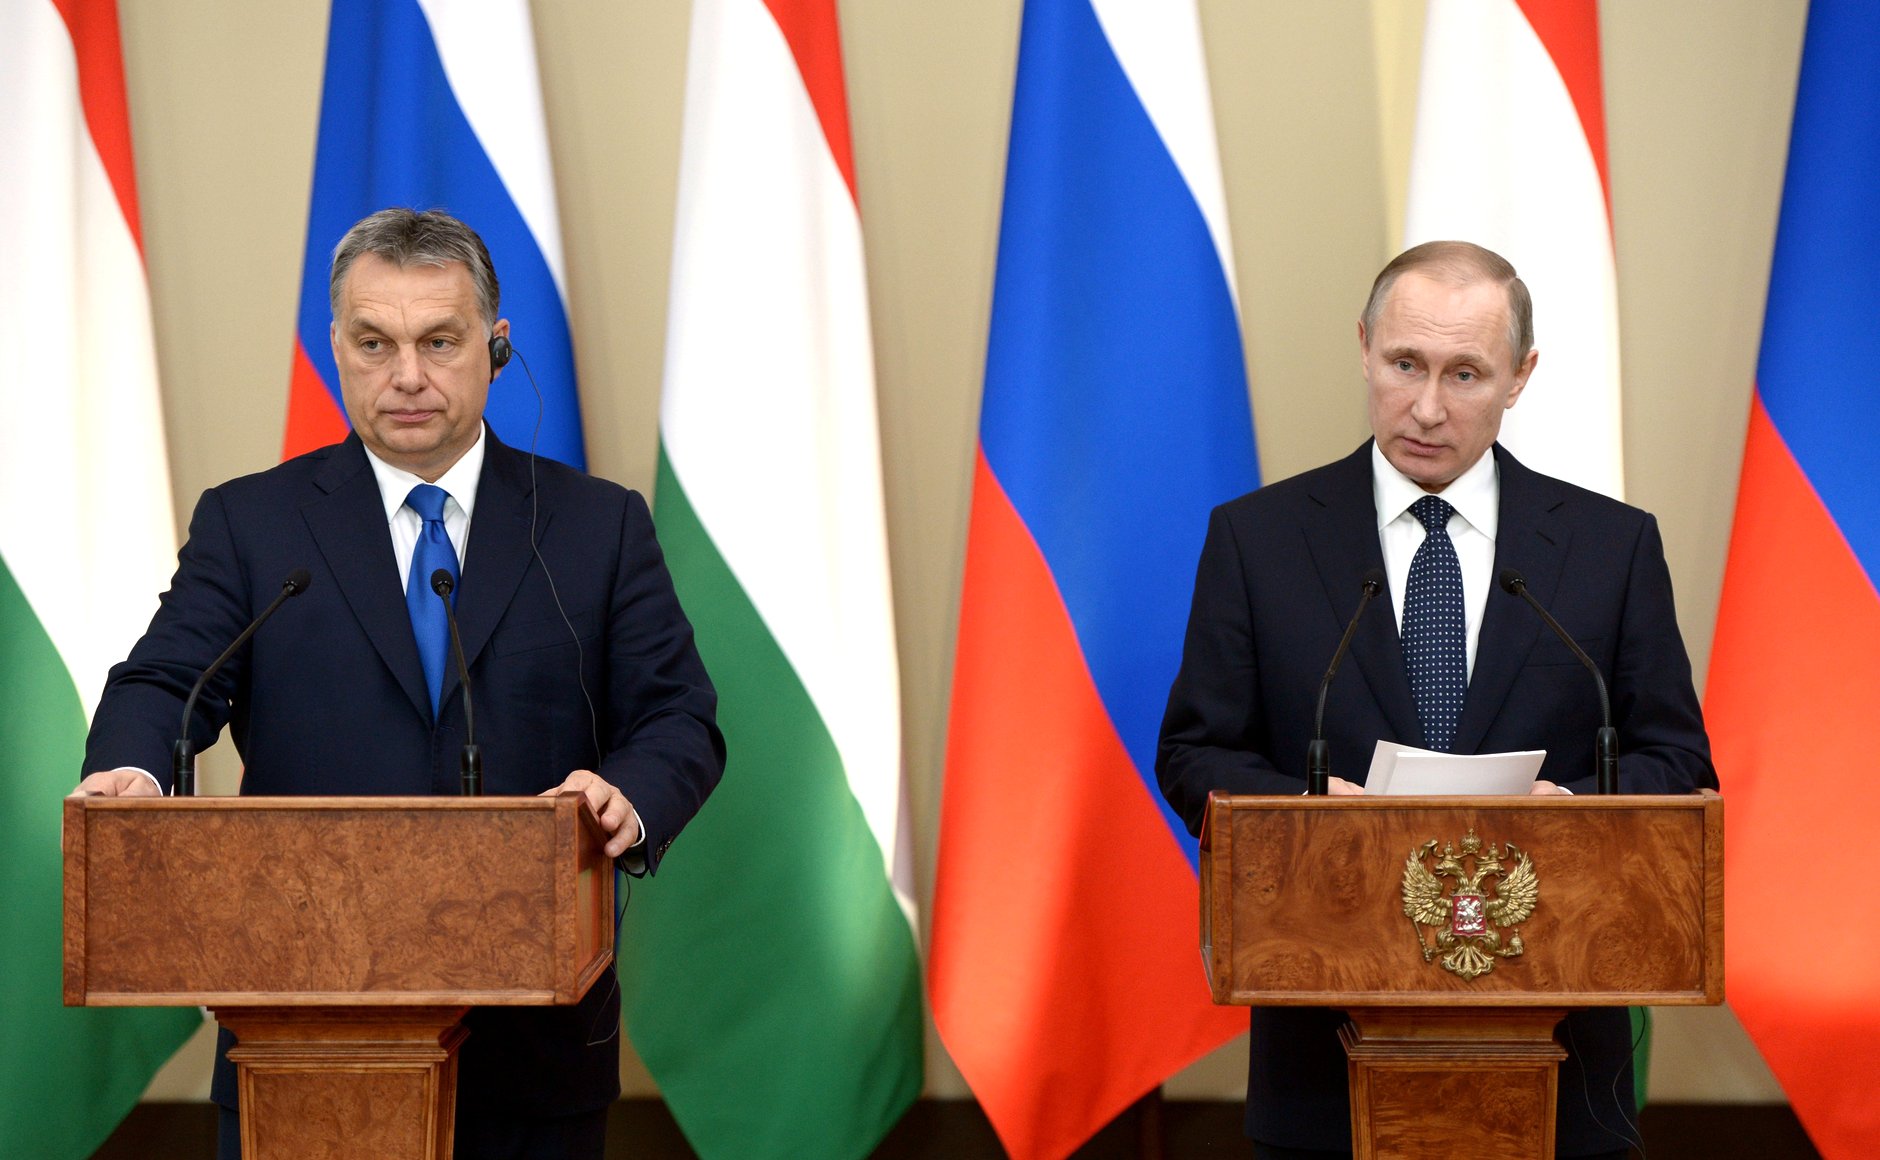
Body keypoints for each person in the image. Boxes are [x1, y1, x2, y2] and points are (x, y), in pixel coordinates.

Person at [76, 207, 725, 1160]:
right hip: (299, 1043)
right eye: (375, 343)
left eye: (440, 342)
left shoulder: (598, 525)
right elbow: (165, 679)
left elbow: (678, 716)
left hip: (534, 1056)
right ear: (336, 346)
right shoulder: (254, 524)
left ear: (496, 348)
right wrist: (132, 773)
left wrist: (624, 795)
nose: (407, 375)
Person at [1156, 240, 1716, 1159]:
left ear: (1519, 377)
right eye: (1404, 364)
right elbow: (1193, 754)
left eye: (1465, 373)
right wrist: (1306, 811)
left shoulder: (1610, 549)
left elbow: (1679, 761)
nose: (1425, 407)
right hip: (1323, 1065)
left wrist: (1573, 813)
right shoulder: (1259, 541)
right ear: (1364, 347)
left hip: (1564, 1069)